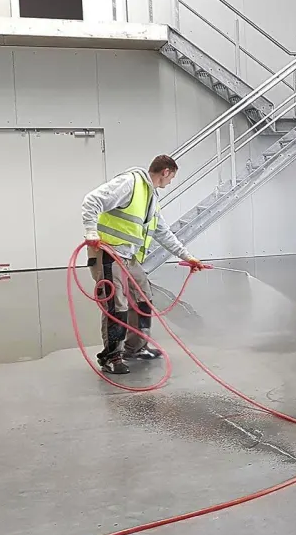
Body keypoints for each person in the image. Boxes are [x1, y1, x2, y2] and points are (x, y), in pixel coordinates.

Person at [81, 154, 204, 375]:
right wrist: (91, 232)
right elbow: (92, 200)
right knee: (116, 305)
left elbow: (162, 232)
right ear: (166, 172)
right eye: (172, 177)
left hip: (129, 257)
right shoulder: (130, 183)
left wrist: (187, 257)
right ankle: (111, 356)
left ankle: (135, 348)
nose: (170, 182)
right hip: (108, 252)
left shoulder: (151, 198)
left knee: (143, 297)